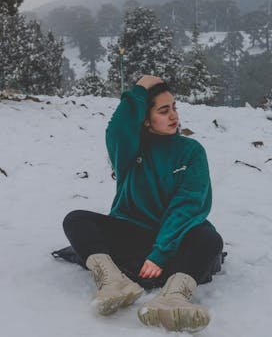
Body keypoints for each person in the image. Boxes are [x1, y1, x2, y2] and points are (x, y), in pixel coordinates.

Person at [63, 75, 223, 332]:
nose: (173, 116)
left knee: (209, 239)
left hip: (174, 239)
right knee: (76, 219)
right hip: (131, 233)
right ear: (146, 119)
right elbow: (117, 128)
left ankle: (173, 298)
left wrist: (160, 253)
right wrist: (140, 88)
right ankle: (113, 282)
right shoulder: (130, 149)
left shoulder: (191, 151)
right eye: (163, 110)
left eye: (174, 107)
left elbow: (188, 206)